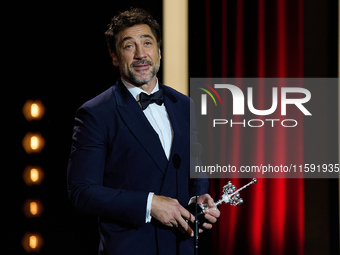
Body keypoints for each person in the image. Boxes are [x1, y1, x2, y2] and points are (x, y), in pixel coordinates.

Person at [67, 8, 220, 255]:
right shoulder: (96, 113)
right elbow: (82, 192)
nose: (141, 54)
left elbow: (196, 168)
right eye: (129, 46)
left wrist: (198, 199)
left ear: (159, 51)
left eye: (147, 43)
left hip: (183, 247)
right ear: (115, 57)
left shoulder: (185, 105)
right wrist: (149, 204)